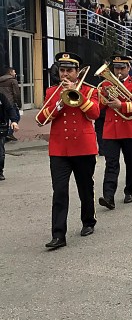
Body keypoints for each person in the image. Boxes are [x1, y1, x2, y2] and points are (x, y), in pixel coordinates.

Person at [35, 52, 99, 249]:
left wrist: (77, 96)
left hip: (83, 147)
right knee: (60, 191)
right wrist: (59, 103)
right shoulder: (51, 92)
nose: (65, 75)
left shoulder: (89, 90)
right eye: (62, 70)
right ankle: (58, 235)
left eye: (69, 71)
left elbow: (95, 113)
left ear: (77, 72)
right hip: (60, 149)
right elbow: (41, 119)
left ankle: (88, 221)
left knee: (85, 187)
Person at [97, 55, 132, 210]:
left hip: (130, 129)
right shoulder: (105, 84)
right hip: (111, 129)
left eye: (122, 68)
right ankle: (108, 197)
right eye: (116, 68)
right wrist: (104, 97)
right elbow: (99, 107)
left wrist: (121, 105)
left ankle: (129, 190)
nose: (118, 71)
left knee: (131, 162)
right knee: (111, 163)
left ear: (129, 68)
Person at [0, 91, 19, 181]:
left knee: (0, 153)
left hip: (0, 127)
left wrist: (14, 121)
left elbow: (10, 108)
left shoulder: (1, 96)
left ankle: (0, 171)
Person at [0, 67, 21, 141]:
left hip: (2, 103)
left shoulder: (1, 80)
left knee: (5, 119)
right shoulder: (13, 81)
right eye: (14, 72)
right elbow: (16, 94)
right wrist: (19, 103)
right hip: (11, 102)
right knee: (16, 117)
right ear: (10, 72)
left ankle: (4, 134)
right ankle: (9, 133)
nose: (15, 73)